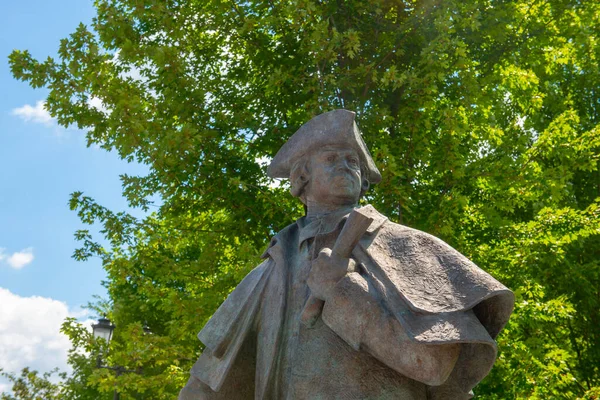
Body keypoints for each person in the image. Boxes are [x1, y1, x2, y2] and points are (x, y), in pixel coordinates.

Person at [179, 110, 514, 399]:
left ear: (363, 182)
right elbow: (207, 385)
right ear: (300, 178)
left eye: (352, 161)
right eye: (330, 158)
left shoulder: (407, 247)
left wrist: (343, 292)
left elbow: (433, 365)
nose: (345, 165)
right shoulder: (268, 274)